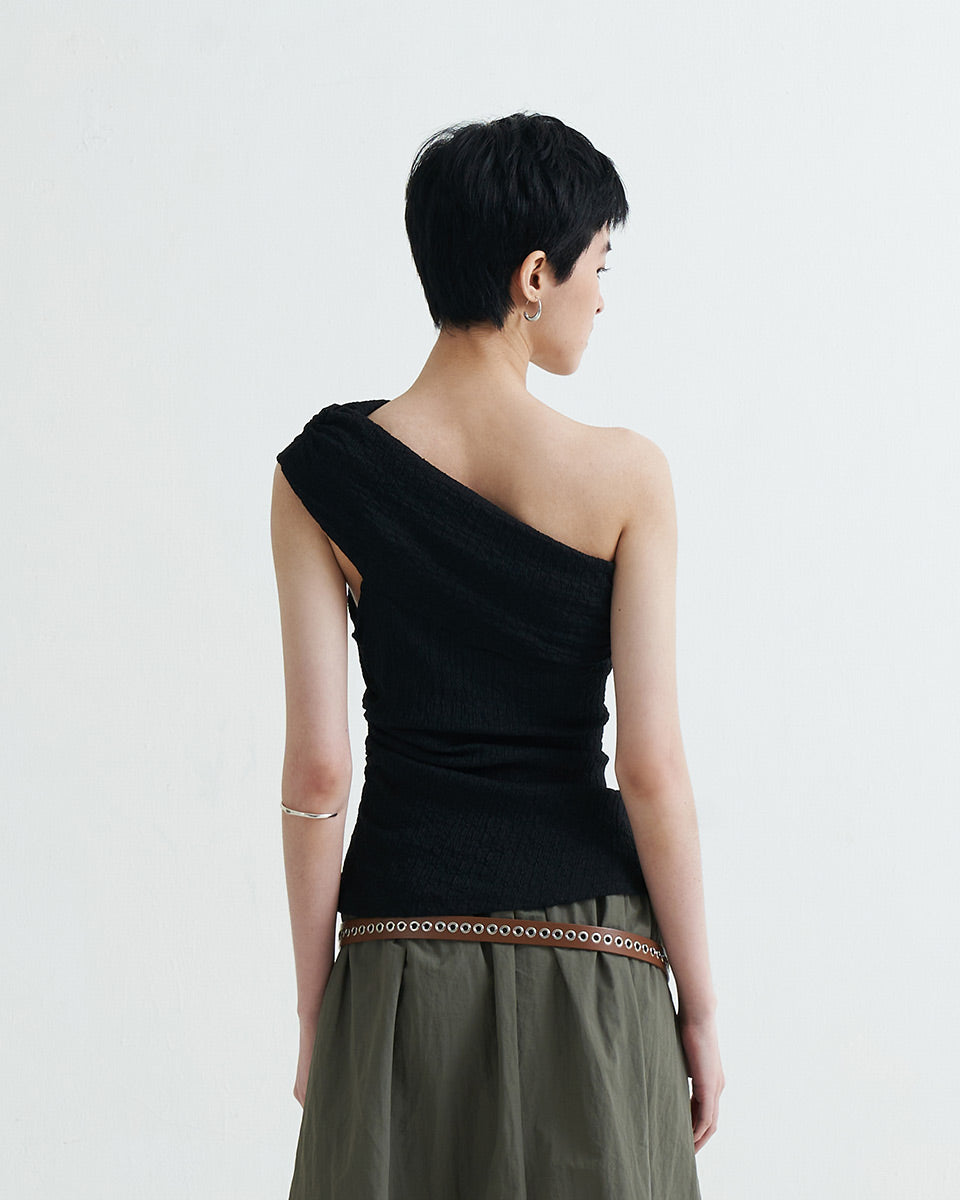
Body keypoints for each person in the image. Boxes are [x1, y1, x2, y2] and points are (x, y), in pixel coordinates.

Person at [271, 111, 723, 1200]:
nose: (602, 297)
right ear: (534, 276)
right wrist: (700, 1010)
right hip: (597, 961)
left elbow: (320, 774)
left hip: (397, 947)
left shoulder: (319, 476)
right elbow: (652, 769)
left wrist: (317, 1007)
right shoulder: (627, 478)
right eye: (598, 265)